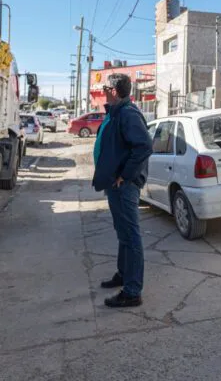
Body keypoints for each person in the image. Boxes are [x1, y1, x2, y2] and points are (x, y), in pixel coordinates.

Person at [92, 73, 153, 308]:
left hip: (124, 186)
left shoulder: (128, 113)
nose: (102, 90)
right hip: (114, 184)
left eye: (105, 87)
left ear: (114, 91)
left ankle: (132, 291)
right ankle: (123, 274)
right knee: (123, 233)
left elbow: (144, 146)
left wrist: (124, 175)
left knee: (130, 235)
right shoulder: (118, 111)